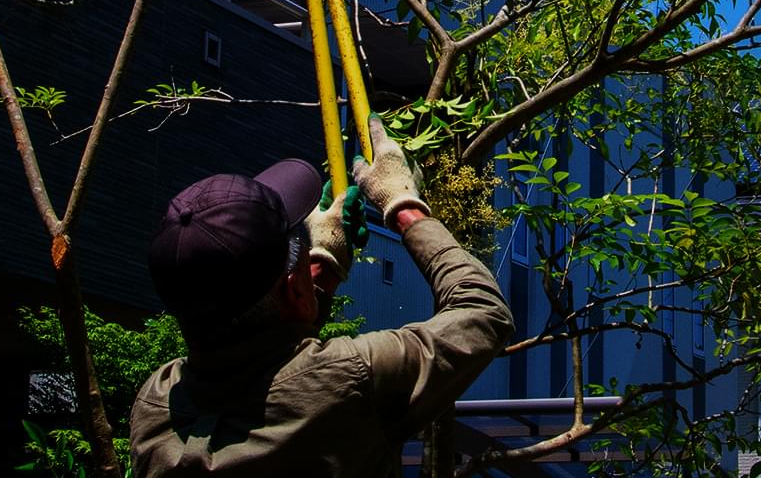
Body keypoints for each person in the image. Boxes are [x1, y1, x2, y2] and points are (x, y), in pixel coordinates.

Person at [131, 118, 513, 476]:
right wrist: (404, 207)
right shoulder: (351, 377)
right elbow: (483, 314)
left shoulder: (156, 404)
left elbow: (265, 367)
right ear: (292, 290)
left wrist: (316, 273)